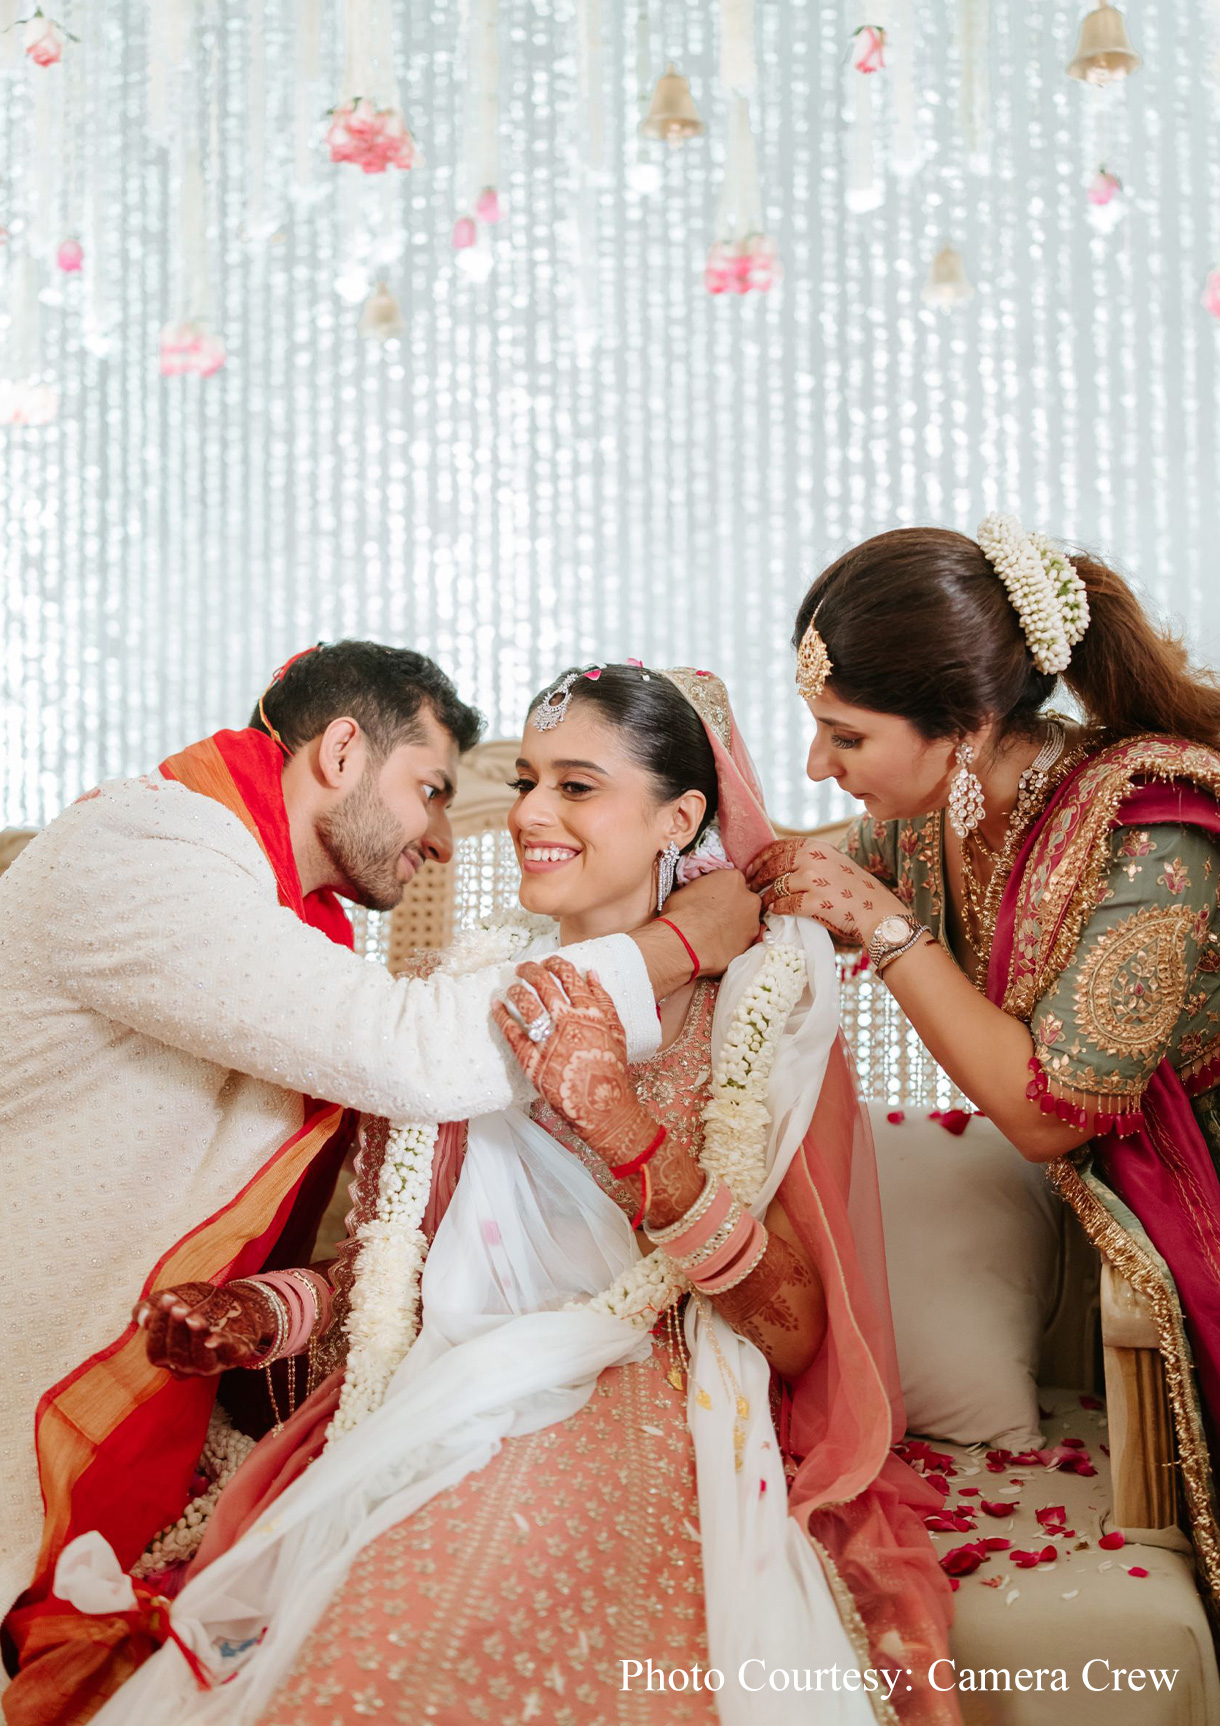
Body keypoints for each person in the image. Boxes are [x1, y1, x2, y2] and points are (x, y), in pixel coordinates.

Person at [66, 664, 958, 1726]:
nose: (528, 812)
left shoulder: (754, 1006)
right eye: (528, 781)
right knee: (351, 1652)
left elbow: (801, 1330)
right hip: (443, 1382)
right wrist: (268, 1310)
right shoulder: (468, 1002)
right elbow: (393, 1267)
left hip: (639, 1392)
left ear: (679, 816)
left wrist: (623, 1130)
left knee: (467, 1616)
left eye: (575, 787)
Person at [746, 517, 1220, 1616]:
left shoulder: (1152, 833)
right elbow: (777, 871)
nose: (818, 765)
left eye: (843, 737)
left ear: (959, 727)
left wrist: (884, 928)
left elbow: (1049, 1110)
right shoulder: (939, 819)